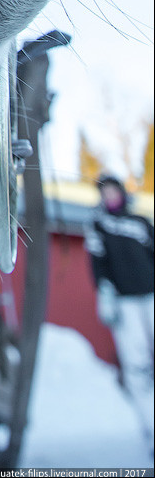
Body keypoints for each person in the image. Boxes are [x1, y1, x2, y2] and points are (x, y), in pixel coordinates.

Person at [85, 172, 155, 452]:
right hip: (124, 303)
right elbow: (98, 263)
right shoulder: (98, 226)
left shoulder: (141, 222)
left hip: (151, 297)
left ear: (122, 192)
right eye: (104, 192)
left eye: (113, 190)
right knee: (137, 366)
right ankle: (150, 425)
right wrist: (105, 292)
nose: (109, 195)